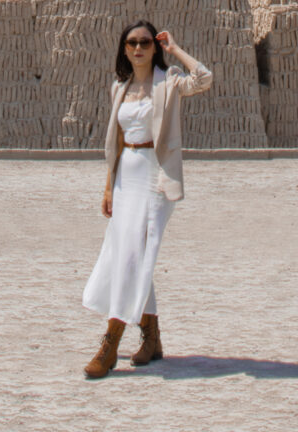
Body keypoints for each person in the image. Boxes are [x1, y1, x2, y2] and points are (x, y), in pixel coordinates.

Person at [81, 20, 213, 378]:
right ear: (124, 49)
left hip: (156, 177)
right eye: (131, 43)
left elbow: (204, 78)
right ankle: (152, 338)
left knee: (131, 255)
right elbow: (117, 144)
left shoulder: (167, 83)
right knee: (130, 253)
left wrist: (175, 49)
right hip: (126, 176)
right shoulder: (119, 89)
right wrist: (109, 186)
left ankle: (110, 343)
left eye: (144, 42)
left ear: (153, 48)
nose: (138, 48)